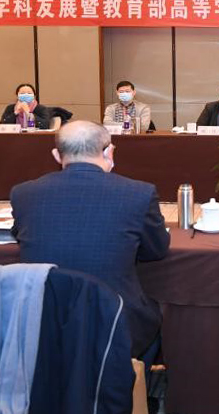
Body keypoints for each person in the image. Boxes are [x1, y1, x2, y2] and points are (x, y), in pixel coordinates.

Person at [10, 121, 170, 358]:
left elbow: (19, 235)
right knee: (155, 319)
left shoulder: (24, 193)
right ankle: (133, 378)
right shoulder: (139, 193)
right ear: (109, 151)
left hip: (43, 322)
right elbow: (155, 250)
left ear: (56, 155)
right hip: (115, 322)